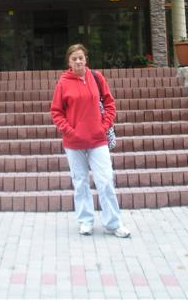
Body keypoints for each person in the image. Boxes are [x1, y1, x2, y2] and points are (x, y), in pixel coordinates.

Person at [50, 43, 131, 238]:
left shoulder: (97, 78)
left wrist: (103, 127)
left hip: (97, 140)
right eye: (74, 58)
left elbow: (109, 104)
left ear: (86, 59)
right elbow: (56, 112)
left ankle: (113, 224)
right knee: (80, 183)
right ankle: (85, 221)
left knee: (105, 181)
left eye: (81, 57)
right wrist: (70, 131)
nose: (78, 61)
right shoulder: (63, 83)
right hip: (74, 143)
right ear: (69, 62)